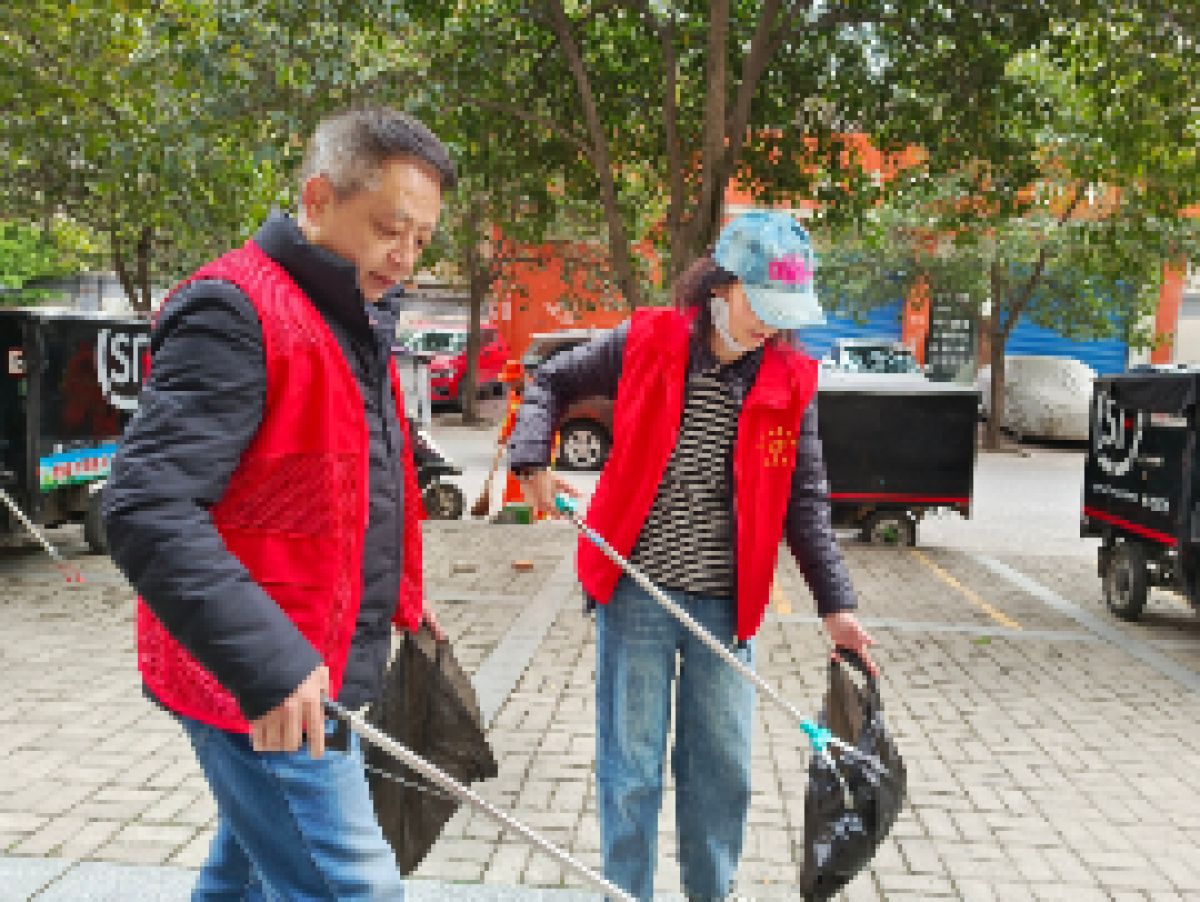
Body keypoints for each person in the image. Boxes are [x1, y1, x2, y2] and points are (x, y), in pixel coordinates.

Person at [102, 107, 455, 900]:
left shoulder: (356, 316)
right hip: (262, 677)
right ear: (319, 198)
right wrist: (271, 664)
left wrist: (400, 596)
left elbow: (355, 476)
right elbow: (146, 505)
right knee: (355, 887)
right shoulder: (235, 309)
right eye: (389, 230)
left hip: (319, 659)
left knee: (247, 875)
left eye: (422, 241)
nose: (403, 260)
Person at [507, 210, 876, 901]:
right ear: (720, 285)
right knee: (632, 773)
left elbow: (807, 500)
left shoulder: (792, 381)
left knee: (723, 774)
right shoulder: (647, 341)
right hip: (638, 593)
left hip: (727, 606)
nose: (768, 324)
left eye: (782, 312)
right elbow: (549, 380)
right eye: (758, 305)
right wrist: (532, 454)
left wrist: (837, 608)